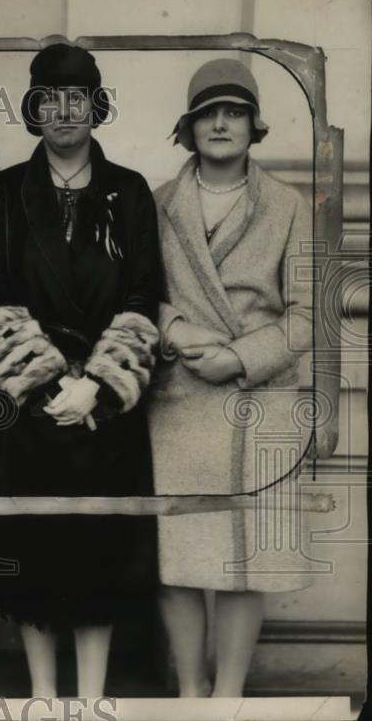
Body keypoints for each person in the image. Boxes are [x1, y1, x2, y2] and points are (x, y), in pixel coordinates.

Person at [0, 44, 161, 697]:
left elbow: (143, 296)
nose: (63, 111)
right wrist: (51, 383)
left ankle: (91, 699)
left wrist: (98, 386)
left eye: (76, 98)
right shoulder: (3, 194)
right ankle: (44, 697)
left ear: (96, 107)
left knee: (98, 557)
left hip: (104, 412)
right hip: (34, 408)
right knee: (37, 557)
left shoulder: (130, 191)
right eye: (49, 98)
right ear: (33, 109)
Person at [149, 58, 314, 697]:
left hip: (258, 402)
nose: (221, 123)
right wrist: (176, 331)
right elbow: (136, 295)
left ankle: (229, 696)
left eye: (235, 111)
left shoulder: (289, 206)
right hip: (180, 400)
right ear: (188, 128)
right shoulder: (158, 203)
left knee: (251, 562)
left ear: (253, 125)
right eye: (207, 113)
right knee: (179, 559)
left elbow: (307, 313)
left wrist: (243, 358)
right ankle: (191, 692)